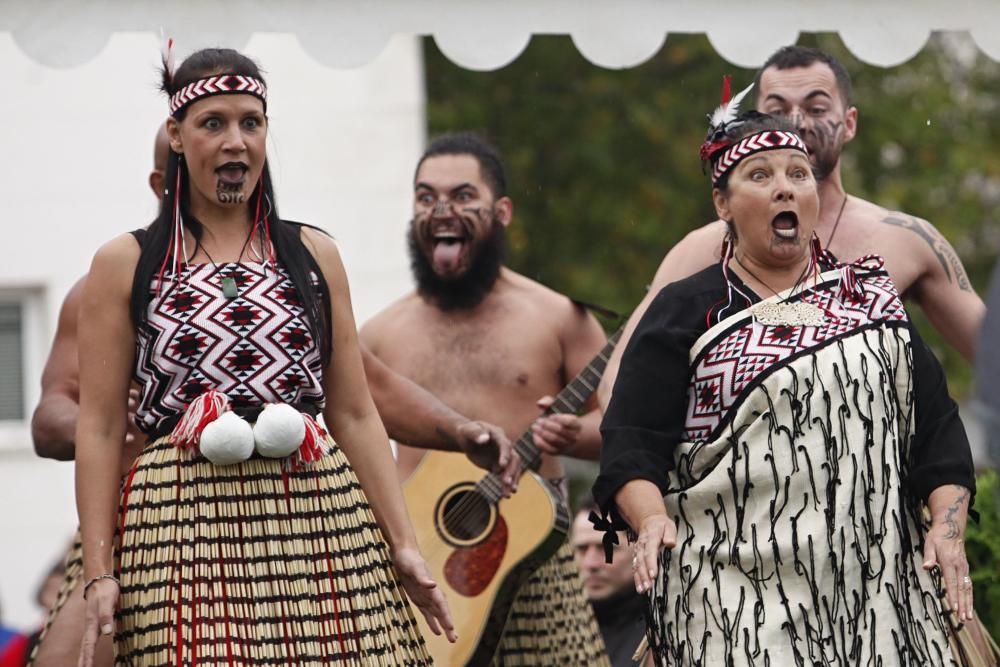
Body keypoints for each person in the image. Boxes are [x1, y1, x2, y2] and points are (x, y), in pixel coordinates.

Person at [31, 128, 516, 667]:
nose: (230, 153)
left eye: (249, 125)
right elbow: (56, 415)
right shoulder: (116, 275)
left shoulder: (300, 260)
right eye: (210, 132)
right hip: (152, 523)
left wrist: (458, 430)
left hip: (304, 517)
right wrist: (110, 432)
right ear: (164, 176)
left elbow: (360, 394)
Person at [593, 94, 977, 664]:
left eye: (798, 174)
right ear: (722, 203)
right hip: (730, 607)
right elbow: (631, 443)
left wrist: (947, 530)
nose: (785, 187)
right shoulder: (686, 310)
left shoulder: (869, 301)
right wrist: (650, 520)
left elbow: (938, 435)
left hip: (877, 599)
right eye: (759, 175)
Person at [598, 45, 985, 411]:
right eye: (777, 110)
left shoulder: (907, 241)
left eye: (816, 108)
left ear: (849, 123)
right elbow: (618, 385)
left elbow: (991, 358)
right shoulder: (704, 247)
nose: (797, 123)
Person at [361, 132, 611, 664]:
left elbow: (623, 433)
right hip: (424, 568)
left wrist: (575, 435)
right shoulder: (378, 336)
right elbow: (349, 436)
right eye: (426, 198)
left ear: (501, 212)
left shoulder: (559, 317)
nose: (441, 210)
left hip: (536, 564)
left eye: (462, 196)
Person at [572, 498, 645, 667]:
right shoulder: (554, 629)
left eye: (607, 548)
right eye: (582, 549)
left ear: (638, 549)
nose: (591, 564)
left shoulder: (661, 632)